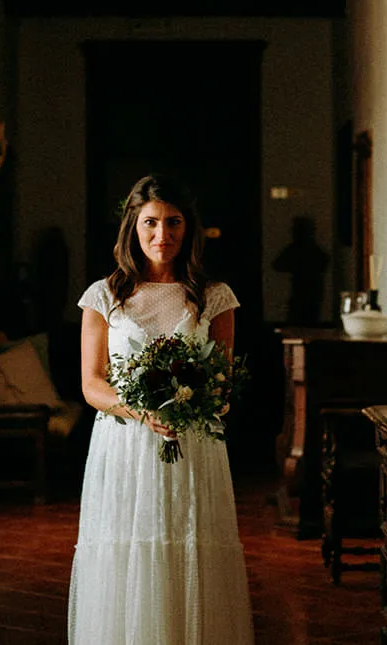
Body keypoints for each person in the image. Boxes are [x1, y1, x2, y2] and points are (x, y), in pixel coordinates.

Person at [68, 174, 253, 645]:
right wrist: (141, 410)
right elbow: (92, 384)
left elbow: (223, 381)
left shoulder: (214, 297)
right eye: (151, 222)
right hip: (124, 446)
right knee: (129, 552)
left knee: (188, 548)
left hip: (192, 447)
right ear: (133, 226)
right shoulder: (104, 296)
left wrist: (197, 404)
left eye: (173, 223)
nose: (162, 235)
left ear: (189, 229)